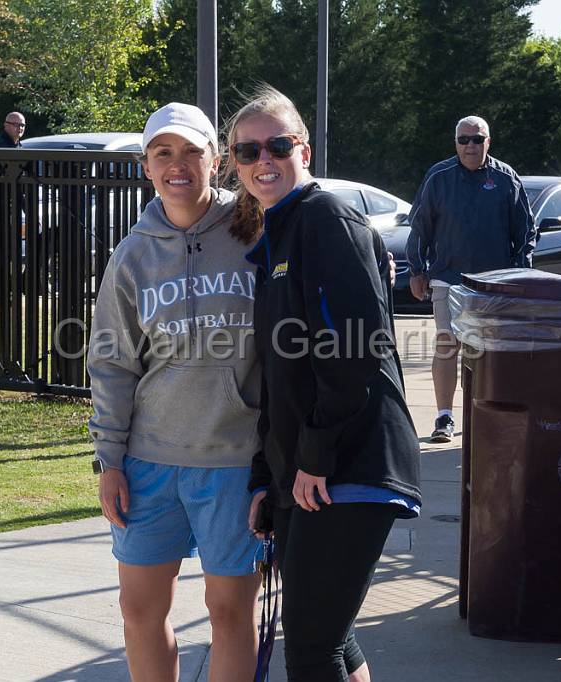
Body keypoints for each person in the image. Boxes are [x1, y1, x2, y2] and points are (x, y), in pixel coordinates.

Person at [228, 86, 422, 681]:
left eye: (277, 145)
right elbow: (280, 376)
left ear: (302, 150)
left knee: (312, 653)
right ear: (234, 164)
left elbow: (354, 352)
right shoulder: (277, 236)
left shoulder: (327, 218)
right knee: (333, 639)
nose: (264, 159)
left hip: (349, 465)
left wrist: (313, 457)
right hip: (305, 474)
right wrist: (268, 478)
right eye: (247, 150)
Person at [86, 102, 262, 681]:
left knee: (229, 610)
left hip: (234, 461)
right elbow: (112, 363)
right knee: (138, 609)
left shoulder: (254, 231)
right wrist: (109, 460)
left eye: (191, 151)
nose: (178, 164)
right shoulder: (133, 254)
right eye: (164, 153)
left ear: (216, 160)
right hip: (149, 462)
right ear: (146, 165)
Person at [404, 115, 535, 443]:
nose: (470, 146)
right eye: (464, 140)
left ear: (488, 142)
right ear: (456, 143)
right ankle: (444, 417)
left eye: (477, 139)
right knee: (447, 344)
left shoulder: (506, 179)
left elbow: (525, 232)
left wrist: (520, 275)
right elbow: (420, 227)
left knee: (486, 351)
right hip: (448, 278)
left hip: (493, 284)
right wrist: (417, 270)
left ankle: (483, 415)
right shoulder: (439, 177)